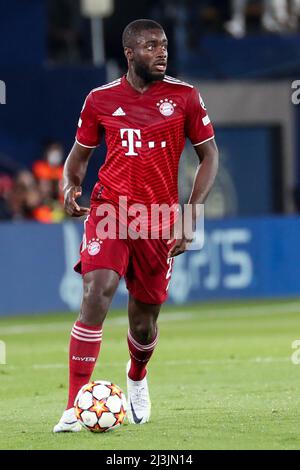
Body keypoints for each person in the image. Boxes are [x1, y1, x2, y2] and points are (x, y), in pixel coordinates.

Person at [53, 18, 218, 432]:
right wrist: (70, 187)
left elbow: (209, 156)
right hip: (110, 211)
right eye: (150, 46)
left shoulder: (184, 97)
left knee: (143, 322)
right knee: (97, 291)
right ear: (129, 53)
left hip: (159, 220)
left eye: (163, 45)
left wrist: (191, 212)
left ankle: (138, 374)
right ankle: (75, 405)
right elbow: (78, 157)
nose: (161, 52)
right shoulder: (100, 99)